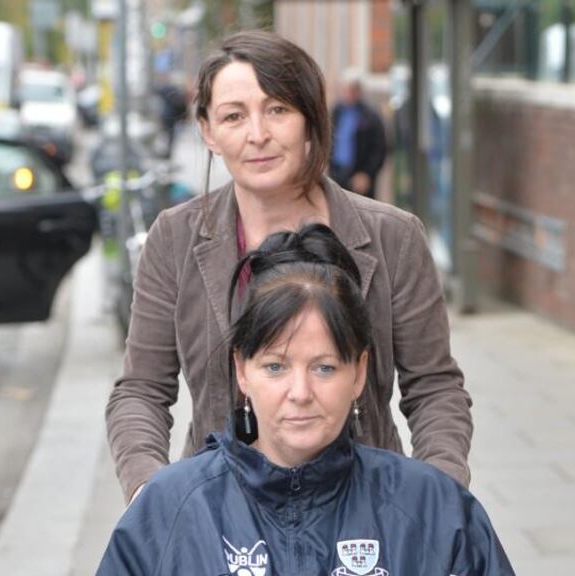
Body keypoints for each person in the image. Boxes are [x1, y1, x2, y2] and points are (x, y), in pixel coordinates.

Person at [105, 30, 473, 504]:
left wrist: (438, 495)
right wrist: (149, 495)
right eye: (234, 116)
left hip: (368, 512)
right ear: (208, 132)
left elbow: (435, 388)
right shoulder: (175, 237)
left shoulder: (393, 237)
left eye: (277, 109)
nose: (258, 134)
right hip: (218, 513)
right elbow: (140, 391)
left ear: (310, 120)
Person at [98, 224, 513, 576]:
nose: (300, 393)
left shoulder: (434, 510)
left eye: (324, 368)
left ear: (359, 372)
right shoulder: (169, 509)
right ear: (242, 370)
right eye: (275, 367)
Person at [329, 69, 387, 199]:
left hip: (359, 175)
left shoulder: (370, 116)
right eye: (345, 89)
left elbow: (379, 149)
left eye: (353, 90)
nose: (348, 93)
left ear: (359, 91)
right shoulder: (336, 112)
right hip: (338, 173)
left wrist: (367, 174)